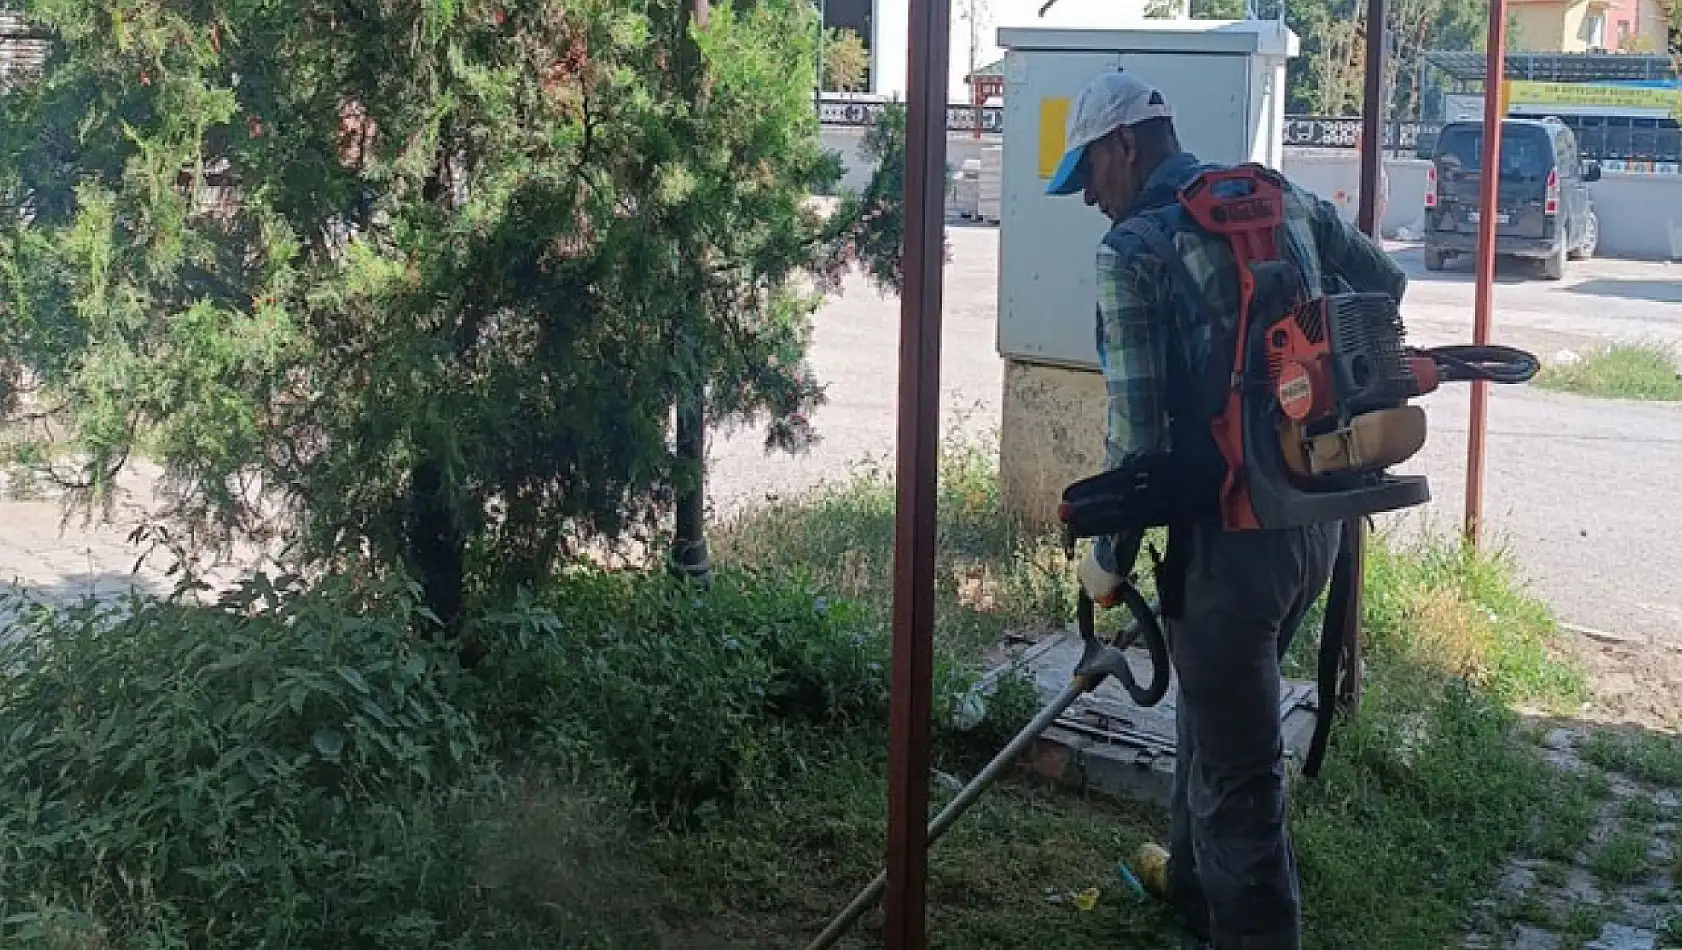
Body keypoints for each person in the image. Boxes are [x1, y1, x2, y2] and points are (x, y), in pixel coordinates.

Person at [1046, 71, 1407, 950]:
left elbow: (1136, 444)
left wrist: (1110, 559)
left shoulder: (1132, 252)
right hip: (1315, 528)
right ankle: (1191, 890)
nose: (1090, 195)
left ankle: (1246, 927)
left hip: (1232, 552)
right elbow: (1386, 285)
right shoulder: (1279, 198)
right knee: (1211, 716)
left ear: (1126, 145)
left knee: (1243, 787)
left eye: (1089, 169)